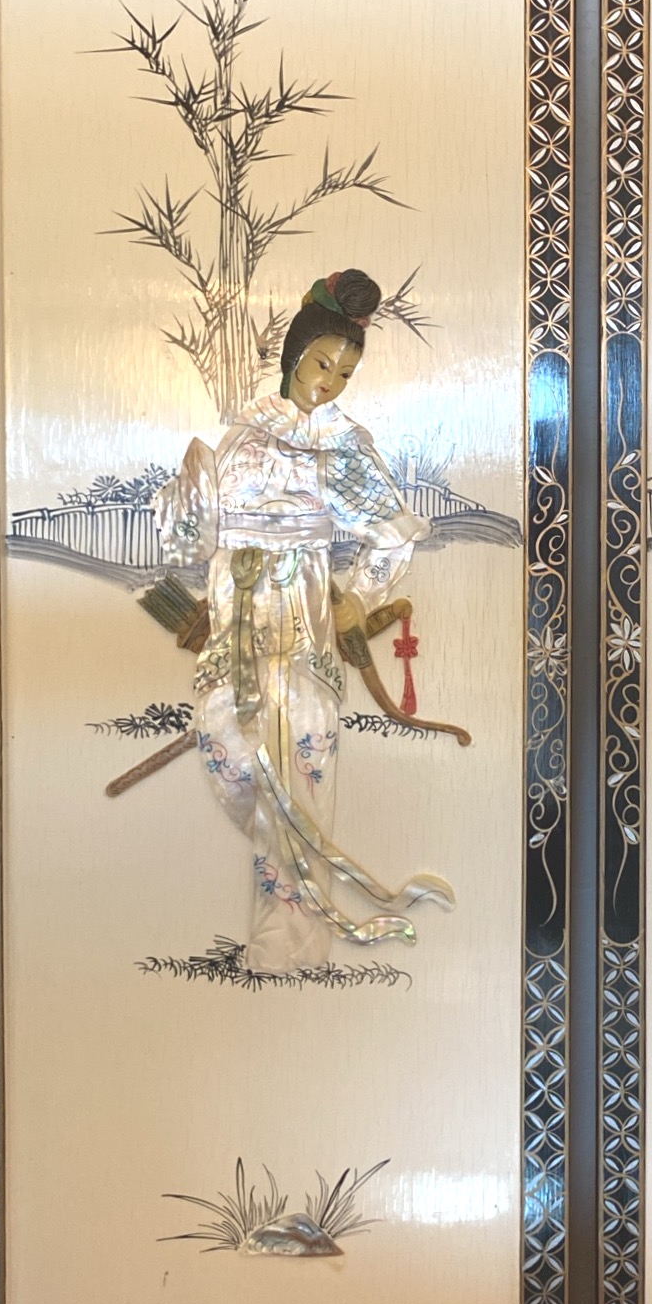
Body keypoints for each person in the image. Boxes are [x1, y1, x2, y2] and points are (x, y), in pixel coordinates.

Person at [156, 268, 453, 975]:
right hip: (237, 608)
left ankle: (290, 941)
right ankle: (289, 909)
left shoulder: (342, 444)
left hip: (303, 607)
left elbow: (394, 534)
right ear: (294, 355)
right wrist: (190, 490)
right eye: (322, 364)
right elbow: (191, 536)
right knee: (227, 743)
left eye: (345, 374)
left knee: (306, 752)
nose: (329, 384)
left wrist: (359, 594)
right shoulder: (243, 433)